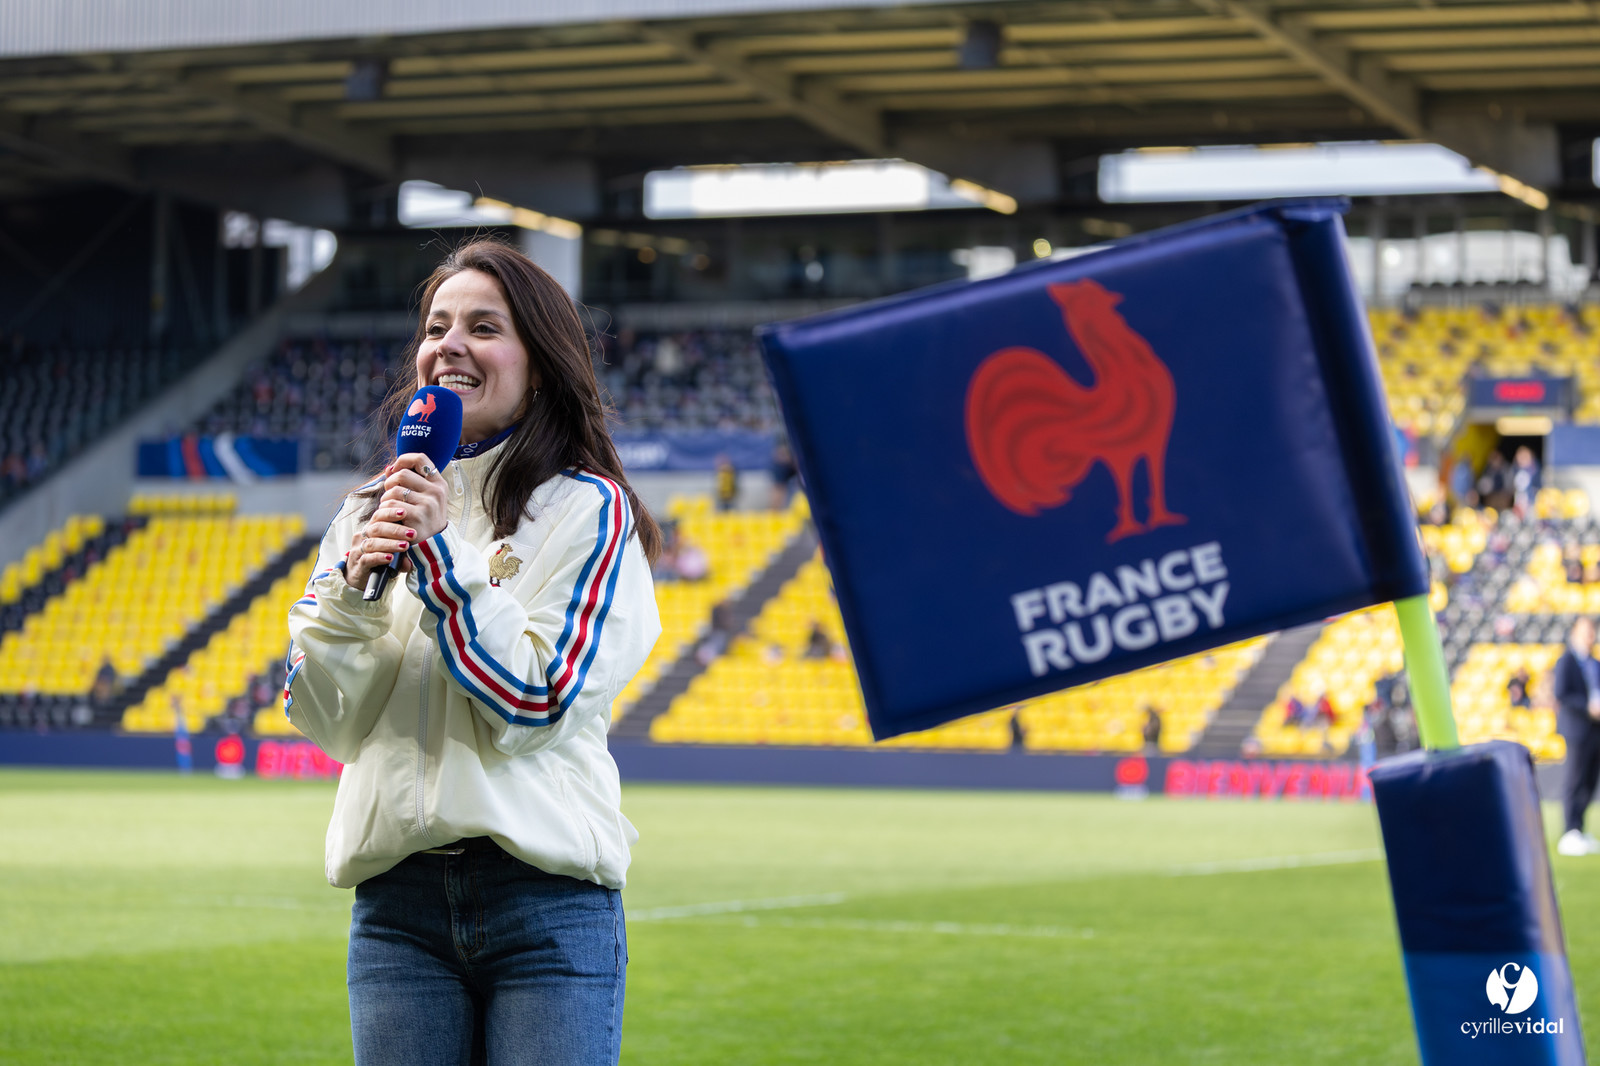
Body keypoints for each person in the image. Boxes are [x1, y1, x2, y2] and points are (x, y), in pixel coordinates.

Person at [285, 239, 663, 1065]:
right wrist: (353, 588)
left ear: (540, 362)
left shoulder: (589, 511)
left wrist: (440, 560)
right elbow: (324, 719)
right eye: (436, 325)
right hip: (396, 909)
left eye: (484, 327)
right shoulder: (364, 513)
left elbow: (533, 705)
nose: (448, 344)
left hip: (546, 903)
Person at [1552, 616, 1600, 857]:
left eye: (1592, 631)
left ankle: (1579, 829)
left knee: (1590, 781)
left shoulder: (1595, 663)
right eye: (1586, 631)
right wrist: (1587, 707)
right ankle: (1569, 831)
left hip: (1595, 731)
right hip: (1577, 729)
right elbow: (1561, 693)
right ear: (1575, 633)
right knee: (1575, 779)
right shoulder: (1567, 661)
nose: (1590, 635)